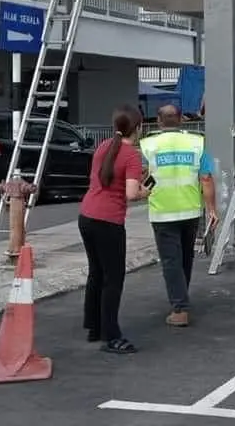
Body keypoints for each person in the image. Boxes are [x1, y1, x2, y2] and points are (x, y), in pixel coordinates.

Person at [77, 104, 149, 354]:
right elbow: (131, 193)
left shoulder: (103, 147)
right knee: (113, 279)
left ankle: (94, 326)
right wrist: (145, 190)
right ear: (138, 128)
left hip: (87, 215)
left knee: (96, 272)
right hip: (109, 221)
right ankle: (112, 335)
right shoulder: (131, 155)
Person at [140, 104, 218, 327]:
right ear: (181, 120)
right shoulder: (197, 142)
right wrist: (211, 209)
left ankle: (180, 308)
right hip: (190, 210)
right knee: (185, 258)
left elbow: (143, 176)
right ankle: (181, 298)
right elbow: (206, 178)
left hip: (162, 212)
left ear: (158, 121)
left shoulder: (147, 145)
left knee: (170, 261)